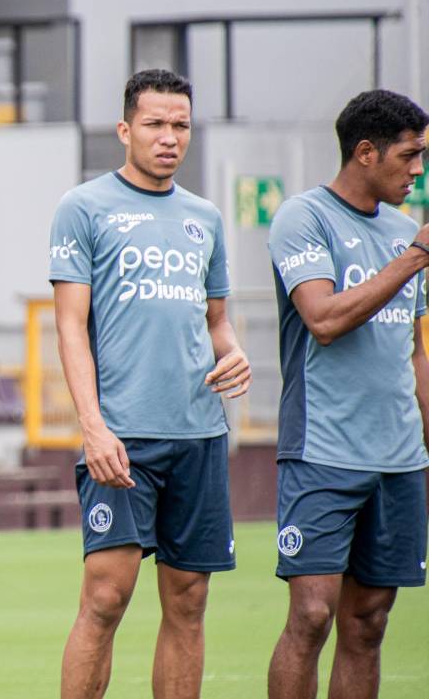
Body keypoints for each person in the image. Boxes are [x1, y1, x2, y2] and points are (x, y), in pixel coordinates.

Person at [49, 69, 252, 698]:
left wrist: (235, 351)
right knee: (106, 596)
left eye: (180, 125)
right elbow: (70, 328)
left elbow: (215, 320)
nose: (169, 137)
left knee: (188, 601)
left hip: (197, 431)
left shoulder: (205, 217)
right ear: (125, 130)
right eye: (156, 124)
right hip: (122, 436)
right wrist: (93, 426)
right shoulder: (83, 207)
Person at [266, 89, 429, 699]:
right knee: (311, 618)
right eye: (410, 156)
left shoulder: (405, 231)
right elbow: (324, 319)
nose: (418, 170)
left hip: (398, 461)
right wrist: (413, 259)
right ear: (366, 152)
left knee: (369, 623)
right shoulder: (304, 218)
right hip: (323, 453)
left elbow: (413, 353)